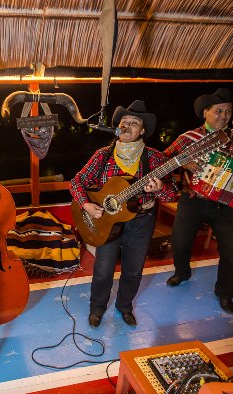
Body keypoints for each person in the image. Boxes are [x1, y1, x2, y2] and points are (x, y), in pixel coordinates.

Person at [70, 100, 178, 327]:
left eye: (134, 123)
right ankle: (97, 308)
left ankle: (124, 306)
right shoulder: (103, 155)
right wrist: (86, 205)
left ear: (143, 130)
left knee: (133, 270)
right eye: (124, 122)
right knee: (102, 270)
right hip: (107, 222)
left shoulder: (156, 159)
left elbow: (173, 195)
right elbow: (77, 182)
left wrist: (160, 189)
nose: (127, 126)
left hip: (141, 221)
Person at [163, 88, 233, 314]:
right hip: (192, 200)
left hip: (225, 205)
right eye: (218, 111)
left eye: (227, 111)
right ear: (205, 113)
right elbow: (162, 160)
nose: (223, 116)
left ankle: (225, 293)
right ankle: (182, 272)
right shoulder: (187, 139)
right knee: (180, 242)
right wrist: (184, 163)